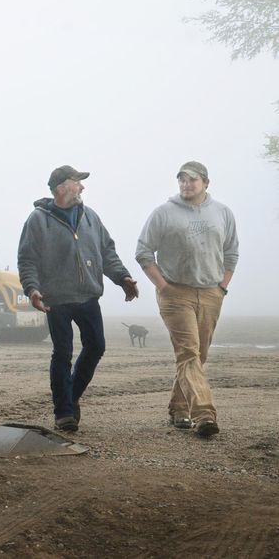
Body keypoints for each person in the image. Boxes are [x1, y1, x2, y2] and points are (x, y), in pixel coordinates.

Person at [18, 165, 139, 432]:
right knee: (62, 353)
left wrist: (123, 278)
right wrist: (32, 289)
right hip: (56, 299)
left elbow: (107, 252)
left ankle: (71, 397)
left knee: (96, 347)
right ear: (61, 188)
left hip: (87, 297)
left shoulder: (91, 217)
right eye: (77, 182)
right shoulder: (38, 220)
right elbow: (27, 260)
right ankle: (64, 413)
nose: (82, 187)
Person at [135, 161, 238, 438]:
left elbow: (231, 252)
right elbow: (144, 252)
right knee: (188, 352)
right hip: (175, 293)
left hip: (211, 292)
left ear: (206, 182)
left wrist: (222, 287)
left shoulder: (223, 213)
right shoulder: (164, 213)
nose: (186, 184)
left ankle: (178, 407)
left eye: (192, 180)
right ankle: (204, 414)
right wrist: (164, 287)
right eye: (181, 179)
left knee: (198, 355)